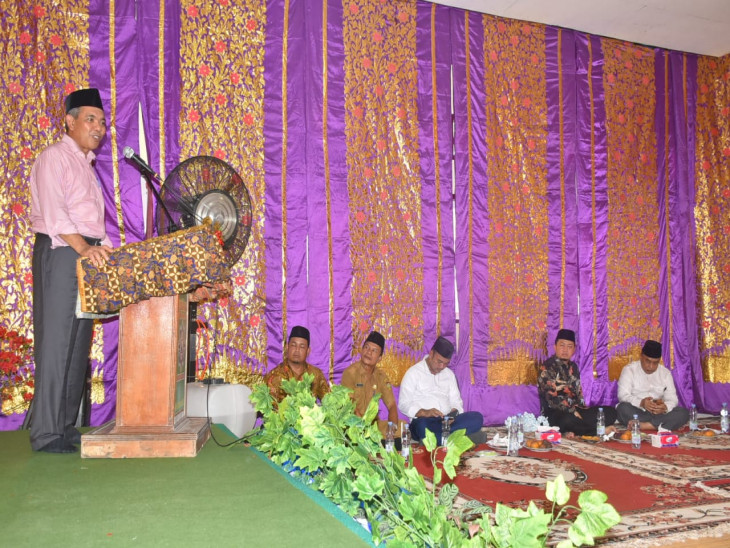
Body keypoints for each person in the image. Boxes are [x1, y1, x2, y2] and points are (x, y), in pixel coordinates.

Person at [29, 88, 113, 453]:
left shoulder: (86, 165)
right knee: (57, 342)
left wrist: (105, 250)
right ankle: (46, 432)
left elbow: (94, 222)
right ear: (70, 121)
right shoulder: (54, 157)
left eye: (102, 121)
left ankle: (64, 426)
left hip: (85, 253)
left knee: (78, 343)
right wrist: (85, 249)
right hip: (63, 252)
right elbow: (55, 213)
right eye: (90, 119)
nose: (99, 127)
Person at [398, 336, 484, 445]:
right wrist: (424, 412)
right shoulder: (413, 373)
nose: (442, 366)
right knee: (422, 427)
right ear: (431, 354)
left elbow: (457, 402)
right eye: (439, 361)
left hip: (447, 422)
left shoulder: (449, 375)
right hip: (425, 421)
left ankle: (437, 440)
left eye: (446, 363)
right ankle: (458, 438)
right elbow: (403, 404)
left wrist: (453, 414)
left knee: (477, 418)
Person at [537, 328, 617, 437]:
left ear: (574, 349)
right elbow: (551, 400)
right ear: (555, 347)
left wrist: (583, 411)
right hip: (555, 413)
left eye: (569, 346)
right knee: (567, 420)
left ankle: (576, 429)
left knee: (610, 412)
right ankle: (597, 431)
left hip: (576, 410)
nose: (565, 350)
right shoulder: (547, 367)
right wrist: (573, 411)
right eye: (562, 345)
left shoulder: (574, 367)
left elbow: (578, 394)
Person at [616, 340, 689, 431]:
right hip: (638, 411)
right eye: (648, 361)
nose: (651, 366)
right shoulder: (629, 370)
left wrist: (665, 407)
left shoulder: (665, 373)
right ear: (641, 356)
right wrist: (641, 403)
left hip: (659, 414)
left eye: (655, 363)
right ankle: (662, 424)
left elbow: (673, 399)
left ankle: (645, 425)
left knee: (683, 413)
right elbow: (623, 396)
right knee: (622, 408)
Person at [340, 330, 400, 438]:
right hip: (353, 424)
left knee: (402, 427)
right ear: (362, 350)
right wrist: (363, 427)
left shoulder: (381, 377)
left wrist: (392, 428)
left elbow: (391, 405)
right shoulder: (350, 373)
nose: (369, 352)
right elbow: (350, 404)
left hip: (373, 425)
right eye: (366, 347)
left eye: (374, 350)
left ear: (379, 358)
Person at [264, 325, 329, 403]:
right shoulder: (274, 376)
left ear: (308, 351)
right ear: (287, 347)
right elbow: (268, 406)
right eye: (293, 345)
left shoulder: (316, 374)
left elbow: (329, 400)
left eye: (302, 346)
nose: (297, 350)